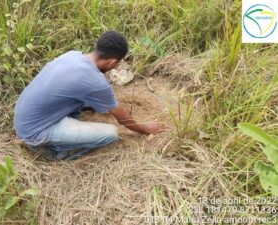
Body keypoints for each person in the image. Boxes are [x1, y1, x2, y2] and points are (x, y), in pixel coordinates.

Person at [13, 31, 166, 160]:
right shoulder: (95, 82)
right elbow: (122, 119)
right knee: (111, 134)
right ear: (112, 62)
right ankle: (56, 152)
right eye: (118, 64)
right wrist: (144, 129)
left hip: (24, 117)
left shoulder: (72, 55)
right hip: (35, 132)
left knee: (84, 102)